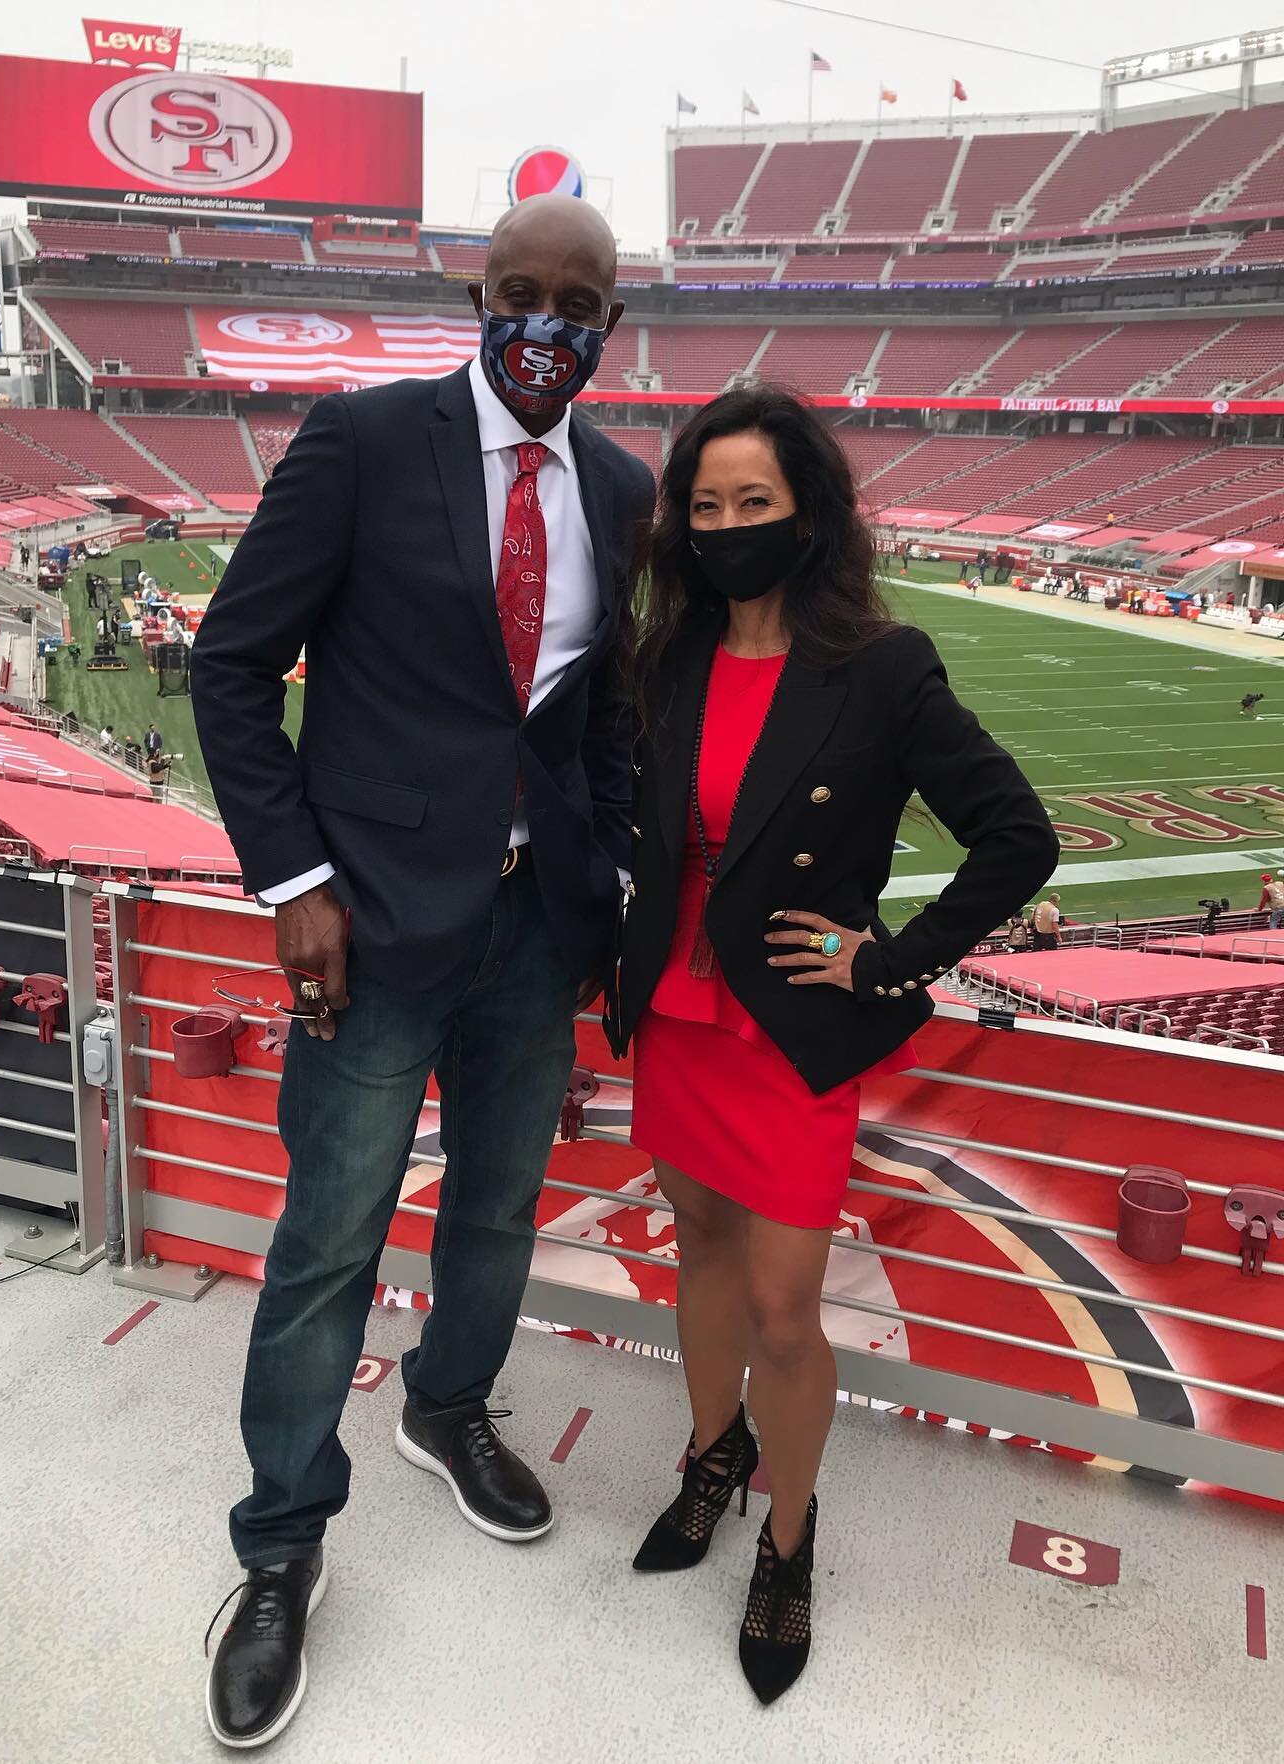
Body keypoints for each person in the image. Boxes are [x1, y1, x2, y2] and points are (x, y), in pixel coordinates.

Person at [189, 194, 654, 1750]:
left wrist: (624, 881)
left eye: (574, 301)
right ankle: (279, 1542)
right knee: (330, 1236)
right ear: (476, 295)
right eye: (518, 292)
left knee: (503, 1207)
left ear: (608, 319)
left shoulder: (622, 486)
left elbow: (600, 721)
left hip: (539, 930)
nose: (544, 322)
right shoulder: (364, 440)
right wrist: (298, 880)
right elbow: (233, 665)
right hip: (373, 923)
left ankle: (448, 1406)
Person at [613, 385, 1057, 1706]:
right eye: (706, 507)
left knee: (787, 1311)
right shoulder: (666, 656)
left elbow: (1016, 837)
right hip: (675, 1015)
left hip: (790, 1027)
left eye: (756, 503)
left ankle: (790, 1541)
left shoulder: (884, 663)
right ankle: (710, 1462)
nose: (730, 527)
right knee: (696, 1246)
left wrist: (888, 954)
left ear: (809, 512)